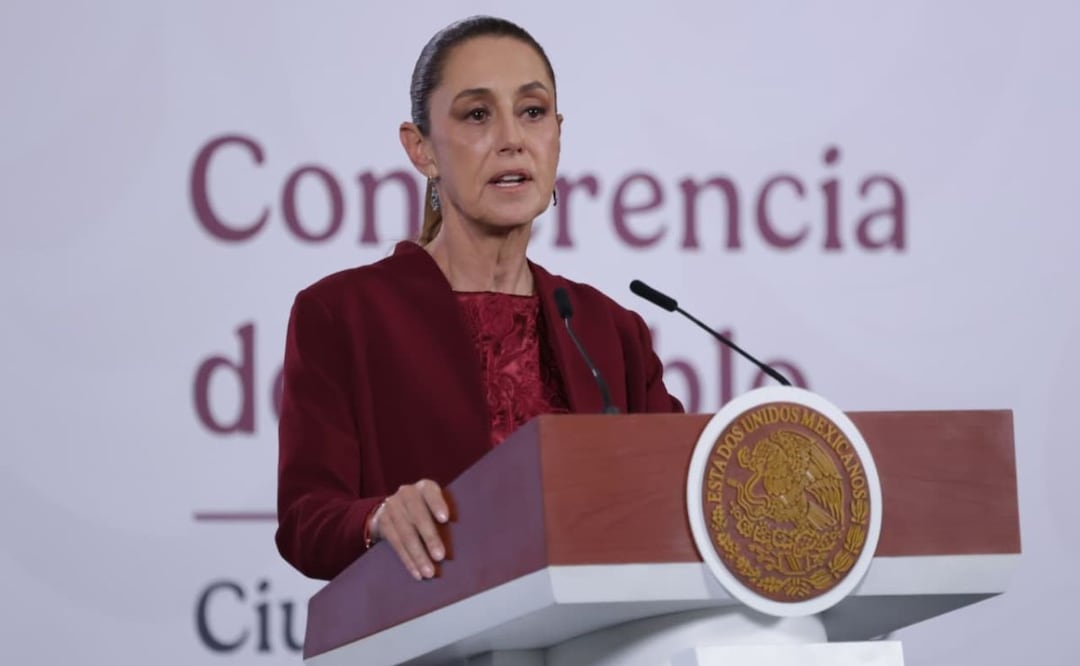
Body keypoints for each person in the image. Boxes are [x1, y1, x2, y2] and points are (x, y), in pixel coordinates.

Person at [274, 15, 684, 583]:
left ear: (557, 135)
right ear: (421, 150)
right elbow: (304, 521)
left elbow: (679, 497)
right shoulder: (344, 314)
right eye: (477, 115)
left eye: (533, 112)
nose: (512, 138)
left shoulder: (609, 330)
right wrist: (378, 517)